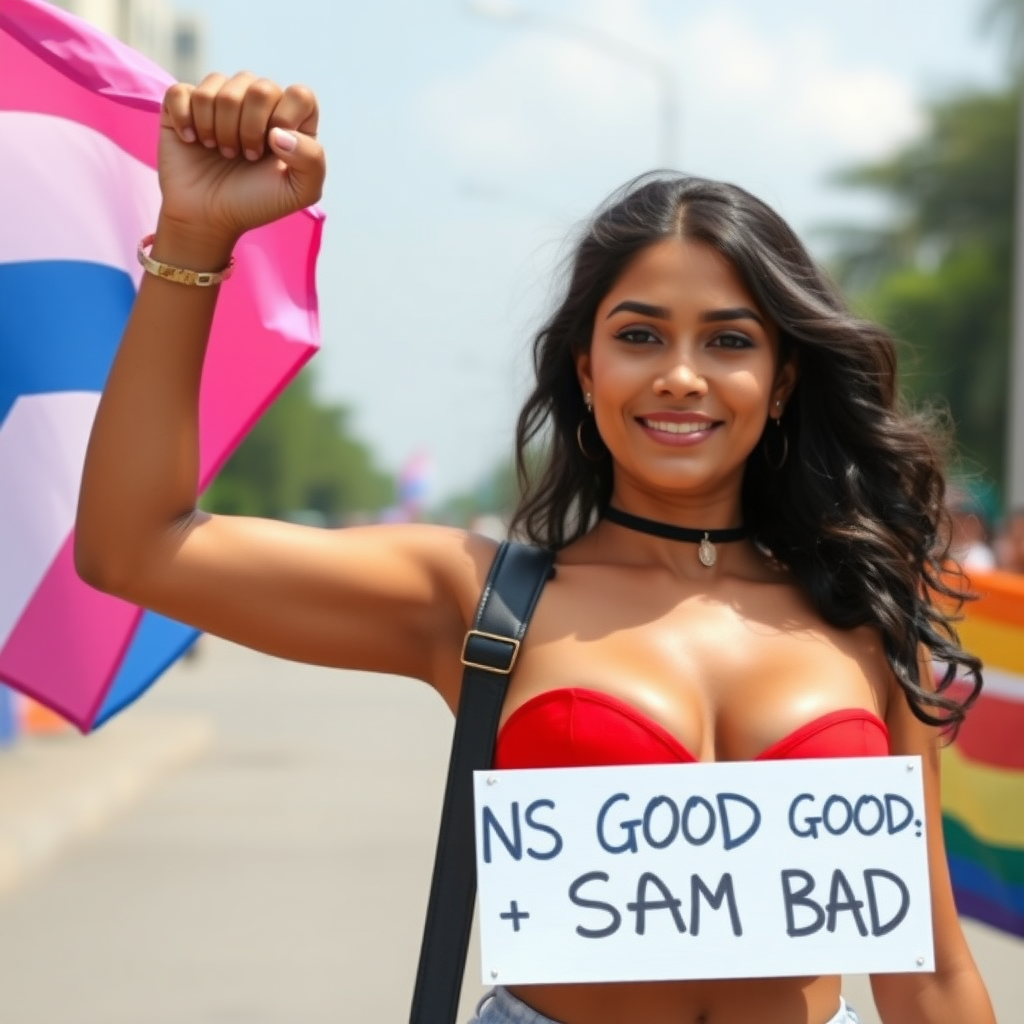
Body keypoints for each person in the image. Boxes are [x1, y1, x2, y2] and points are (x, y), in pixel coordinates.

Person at [74, 73, 996, 1024]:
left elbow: (926, 972)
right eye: (640, 335)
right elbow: (134, 546)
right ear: (587, 369)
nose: (682, 376)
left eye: (728, 341)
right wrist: (192, 237)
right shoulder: (476, 597)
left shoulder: (865, 610)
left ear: (784, 376)